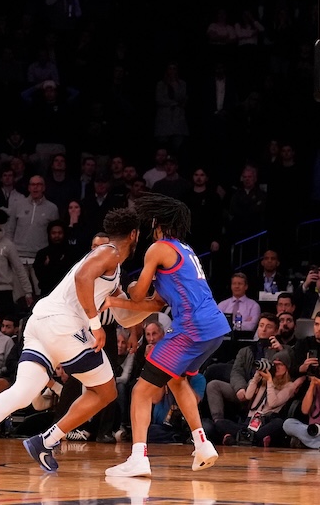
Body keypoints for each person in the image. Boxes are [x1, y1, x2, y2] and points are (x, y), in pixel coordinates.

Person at [0, 207, 141, 474]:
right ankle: (47, 440)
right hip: (63, 325)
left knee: (25, 391)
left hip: (41, 322)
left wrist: (149, 308)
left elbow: (125, 314)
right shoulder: (109, 252)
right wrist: (96, 325)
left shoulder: (113, 268)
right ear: (134, 234)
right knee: (106, 391)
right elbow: (82, 277)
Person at [104, 193, 229, 478]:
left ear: (156, 221)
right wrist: (114, 303)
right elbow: (155, 303)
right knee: (176, 379)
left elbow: (138, 294)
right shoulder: (184, 250)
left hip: (191, 328)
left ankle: (138, 457)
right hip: (214, 329)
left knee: (140, 391)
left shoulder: (158, 248)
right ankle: (202, 444)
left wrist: (130, 287)